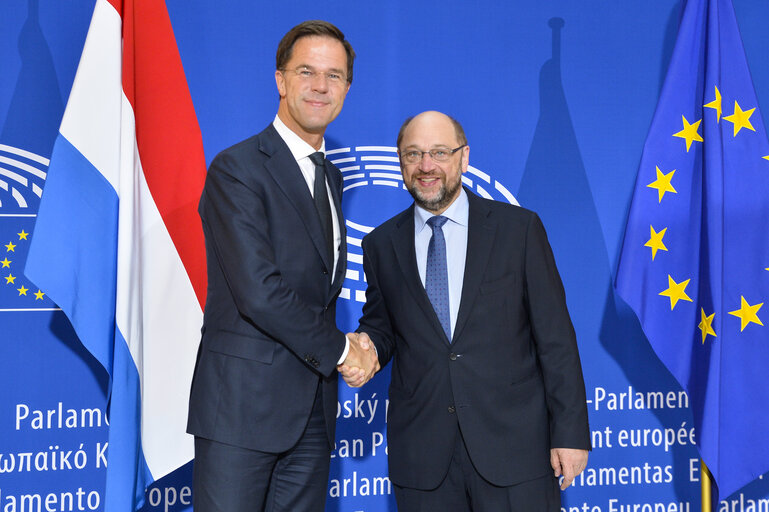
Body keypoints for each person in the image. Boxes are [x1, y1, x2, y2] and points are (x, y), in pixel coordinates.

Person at [340, 111, 590, 511]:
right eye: (413, 154)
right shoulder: (381, 245)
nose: (426, 166)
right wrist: (367, 350)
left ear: (463, 157)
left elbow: (556, 338)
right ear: (400, 162)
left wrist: (571, 433)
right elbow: (383, 326)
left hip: (514, 451)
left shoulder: (518, 230)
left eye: (439, 152)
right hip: (423, 459)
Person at [187, 20, 378, 512]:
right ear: (280, 80)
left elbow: (316, 288)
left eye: (334, 76)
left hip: (312, 412)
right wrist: (342, 350)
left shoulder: (331, 176)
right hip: (242, 413)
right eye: (307, 71)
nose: (320, 86)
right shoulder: (238, 169)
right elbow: (259, 291)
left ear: (347, 89)